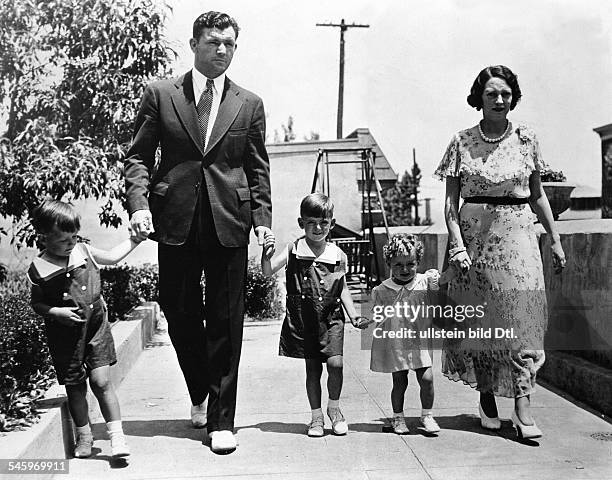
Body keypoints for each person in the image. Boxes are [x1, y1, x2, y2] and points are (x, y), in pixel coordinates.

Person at [124, 11, 273, 453]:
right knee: (178, 307)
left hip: (230, 219)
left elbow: (257, 169)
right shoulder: (161, 93)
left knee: (227, 320)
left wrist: (263, 223)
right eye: (213, 42)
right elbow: (138, 158)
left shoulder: (249, 103)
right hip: (176, 219)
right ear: (193, 45)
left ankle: (221, 420)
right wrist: (137, 205)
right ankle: (202, 390)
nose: (222, 50)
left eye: (229, 43)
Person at [434, 65, 566, 440]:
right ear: (479, 98)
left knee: (523, 319)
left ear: (514, 97)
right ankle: (487, 396)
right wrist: (457, 245)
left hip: (519, 237)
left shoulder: (527, 139)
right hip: (473, 240)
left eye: (505, 93)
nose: (499, 100)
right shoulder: (461, 142)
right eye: (491, 93)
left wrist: (554, 238)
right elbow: (450, 204)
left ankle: (523, 405)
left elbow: (538, 194)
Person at [27, 200, 143, 459]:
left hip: (95, 328)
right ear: (43, 238)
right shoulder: (39, 269)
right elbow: (37, 303)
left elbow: (113, 257)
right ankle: (85, 436)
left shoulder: (83, 251)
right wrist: (56, 312)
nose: (70, 244)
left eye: (73, 237)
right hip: (64, 336)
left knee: (101, 382)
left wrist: (135, 240)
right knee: (76, 387)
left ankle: (117, 438)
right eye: (63, 241)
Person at [261, 193, 370, 437]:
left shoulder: (337, 254)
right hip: (305, 319)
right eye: (311, 222)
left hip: (331, 319)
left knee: (336, 364)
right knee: (313, 370)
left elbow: (341, 287)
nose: (318, 228)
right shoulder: (294, 249)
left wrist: (353, 315)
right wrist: (266, 255)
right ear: (301, 223)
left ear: (331, 223)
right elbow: (268, 271)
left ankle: (335, 409)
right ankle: (316, 417)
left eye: (323, 222)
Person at [370, 234, 452, 435]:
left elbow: (445, 278)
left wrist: (460, 260)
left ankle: (427, 415)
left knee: (427, 379)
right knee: (400, 381)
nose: (405, 269)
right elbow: (378, 315)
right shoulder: (382, 289)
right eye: (398, 265)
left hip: (419, 342)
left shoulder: (424, 281)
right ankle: (398, 417)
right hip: (396, 344)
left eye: (410, 263)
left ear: (418, 262)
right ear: (389, 262)